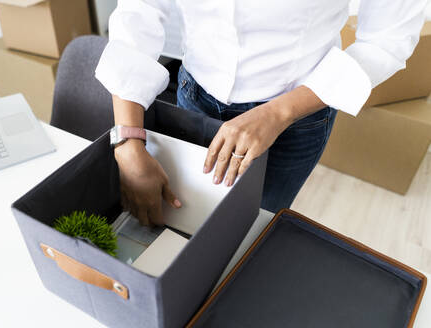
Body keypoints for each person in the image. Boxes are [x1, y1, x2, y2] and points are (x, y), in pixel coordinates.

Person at [96, 0, 427, 226]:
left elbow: (389, 38)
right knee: (187, 221)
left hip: (293, 119)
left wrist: (279, 113)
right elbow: (139, 10)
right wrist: (127, 143)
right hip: (195, 95)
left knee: (253, 231)